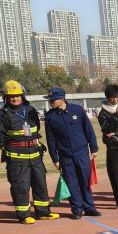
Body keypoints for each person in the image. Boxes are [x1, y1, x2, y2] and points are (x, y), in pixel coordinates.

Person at [0, 80, 58, 224]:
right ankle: (23, 215)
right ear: (6, 97)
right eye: (11, 96)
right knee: (20, 186)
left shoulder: (30, 110)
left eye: (17, 95)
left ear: (22, 96)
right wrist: (11, 148)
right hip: (16, 158)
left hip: (35, 155)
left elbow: (36, 129)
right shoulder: (1, 114)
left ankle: (43, 212)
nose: (15, 98)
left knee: (40, 184)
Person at [43, 87, 99, 219]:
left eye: (53, 100)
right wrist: (55, 158)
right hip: (65, 156)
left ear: (61, 99)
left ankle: (89, 207)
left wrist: (94, 148)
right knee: (71, 183)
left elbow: (88, 129)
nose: (50, 102)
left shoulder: (77, 110)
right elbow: (51, 140)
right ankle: (77, 209)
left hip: (82, 153)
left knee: (85, 181)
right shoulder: (50, 117)